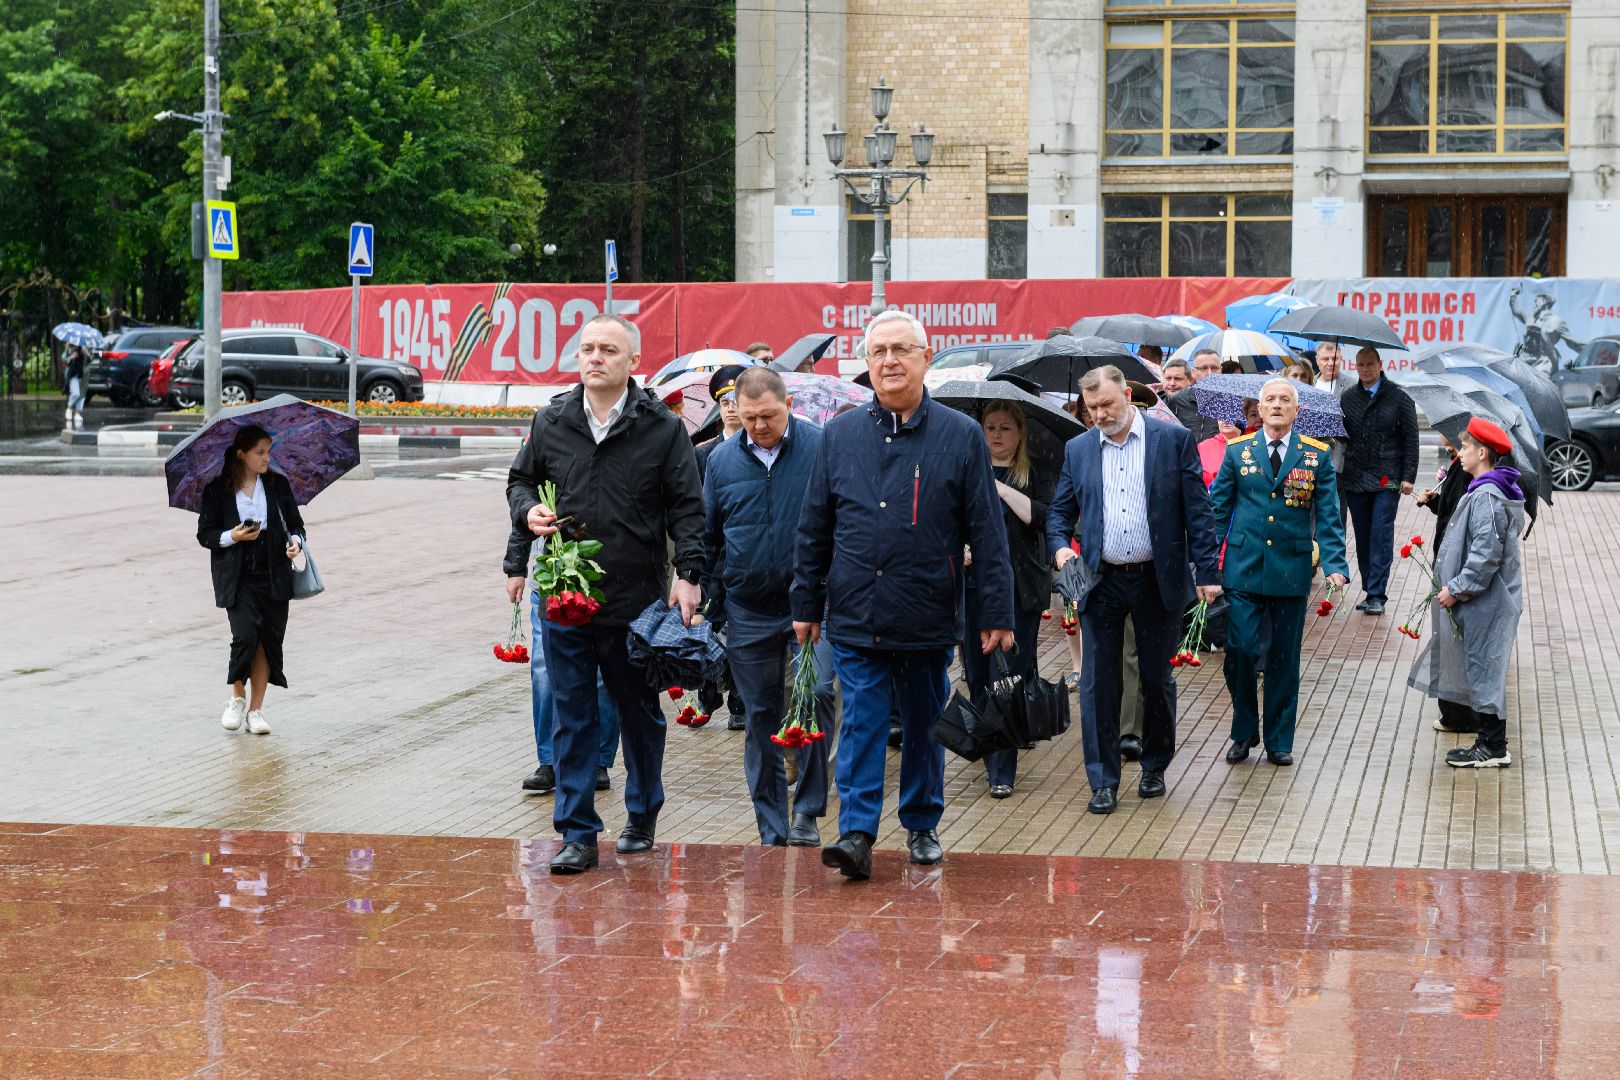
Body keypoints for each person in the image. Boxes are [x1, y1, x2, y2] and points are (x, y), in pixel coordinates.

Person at [793, 309, 1015, 880]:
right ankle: (859, 833)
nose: (889, 361)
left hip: (927, 608)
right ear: (867, 365)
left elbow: (987, 532)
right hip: (854, 608)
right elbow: (814, 524)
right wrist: (804, 605)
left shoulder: (960, 435)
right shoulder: (840, 434)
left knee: (922, 721)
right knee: (863, 718)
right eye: (878, 352)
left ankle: (921, 824)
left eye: (901, 349)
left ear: (924, 356)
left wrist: (995, 611)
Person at [506, 313, 705, 875]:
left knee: (638, 711)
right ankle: (577, 832)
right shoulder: (552, 421)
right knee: (571, 713)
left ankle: (641, 814)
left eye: (608, 350)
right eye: (588, 348)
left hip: (634, 599)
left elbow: (689, 507)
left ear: (631, 362)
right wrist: (529, 512)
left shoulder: (661, 429)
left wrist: (688, 574)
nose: (595, 357)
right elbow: (519, 481)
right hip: (565, 596)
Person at [1046, 365, 1222, 815]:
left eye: (1107, 404)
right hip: (1098, 578)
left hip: (1155, 576)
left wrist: (1206, 572)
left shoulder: (1171, 441)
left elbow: (1196, 512)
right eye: (1092, 408)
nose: (1100, 414)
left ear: (1128, 394)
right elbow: (1059, 513)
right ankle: (1103, 779)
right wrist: (1060, 550)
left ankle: (1155, 765)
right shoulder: (1079, 449)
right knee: (1096, 683)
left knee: (1155, 678)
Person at [704, 367, 836, 847]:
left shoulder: (822, 447)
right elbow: (710, 534)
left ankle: (807, 812)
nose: (759, 426)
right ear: (736, 410)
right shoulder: (720, 461)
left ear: (789, 406)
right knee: (760, 715)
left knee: (816, 698)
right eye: (750, 416)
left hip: (814, 606)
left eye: (770, 416)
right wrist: (704, 594)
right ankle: (771, 825)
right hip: (749, 608)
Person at [1209, 378, 1350, 766]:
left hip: (1290, 569)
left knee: (1283, 660)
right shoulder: (1239, 452)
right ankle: (1243, 729)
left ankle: (1279, 739)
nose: (1275, 405)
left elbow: (1329, 516)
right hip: (1243, 568)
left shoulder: (1315, 455)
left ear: (1296, 410)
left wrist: (1336, 564)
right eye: (1269, 399)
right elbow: (1218, 510)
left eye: (1284, 400)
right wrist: (1206, 566)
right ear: (1259, 407)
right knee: (1238, 651)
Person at [1407, 418, 1526, 768]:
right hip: (1482, 601)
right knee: (1481, 666)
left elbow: (1485, 554)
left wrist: (1457, 590)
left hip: (1484, 601)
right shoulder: (1482, 490)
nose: (1460, 454)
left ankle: (1492, 745)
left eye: (1467, 448)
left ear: (1483, 452)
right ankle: (1489, 741)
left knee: (1484, 666)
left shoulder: (1486, 496)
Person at [962, 401, 1054, 798]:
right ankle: (990, 745)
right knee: (978, 676)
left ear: (1019, 435)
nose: (996, 435)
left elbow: (1043, 517)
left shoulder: (1034, 471)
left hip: (1021, 588)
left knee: (1010, 676)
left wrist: (998, 485)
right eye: (989, 427)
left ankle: (1002, 769)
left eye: (1004, 429)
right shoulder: (965, 472)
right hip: (974, 586)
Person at [196, 424, 306, 737]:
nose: (266, 458)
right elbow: (205, 534)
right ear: (242, 454)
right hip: (238, 575)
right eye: (260, 452)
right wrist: (233, 535)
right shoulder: (217, 490)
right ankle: (237, 699)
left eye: (269, 452)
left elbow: (297, 526)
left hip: (274, 573)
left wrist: (295, 542)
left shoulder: (277, 485)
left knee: (268, 642)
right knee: (244, 636)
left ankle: (256, 711)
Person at [505, 532, 621, 796]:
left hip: (602, 579)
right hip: (550, 580)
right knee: (544, 671)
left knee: (602, 674)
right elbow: (523, 507)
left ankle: (599, 760)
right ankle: (549, 761)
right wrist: (515, 567)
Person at [1339, 347, 1419, 615]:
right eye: (1360, 365)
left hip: (1388, 477)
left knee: (1381, 533)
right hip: (1356, 477)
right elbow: (1342, 434)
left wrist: (1408, 477)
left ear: (1380, 364)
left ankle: (1377, 594)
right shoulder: (1348, 398)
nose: (1365, 369)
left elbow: (1411, 438)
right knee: (1362, 535)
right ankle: (1369, 588)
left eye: (1370, 364)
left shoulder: (1398, 396)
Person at [694, 364, 750, 730]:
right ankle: (708, 689)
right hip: (714, 555)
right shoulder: (704, 452)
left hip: (745, 554)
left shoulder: (759, 446)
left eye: (735, 399)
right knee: (711, 624)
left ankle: (739, 702)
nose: (730, 408)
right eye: (723, 401)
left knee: (742, 630)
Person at [1413, 435, 1478, 735]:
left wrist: (1457, 582)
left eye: (1460, 445)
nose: (1454, 450)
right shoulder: (1458, 467)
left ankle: (1460, 713)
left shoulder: (1472, 475)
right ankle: (1453, 710)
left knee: (1455, 638)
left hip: (1457, 564)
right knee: (1447, 636)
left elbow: (1465, 521)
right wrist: (1434, 502)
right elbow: (1450, 511)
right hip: (1448, 558)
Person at [1166, 348, 1220, 443]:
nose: (1210, 373)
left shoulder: (1231, 401)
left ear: (1221, 370)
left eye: (1214, 368)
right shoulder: (1178, 400)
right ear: (1193, 372)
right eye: (1203, 368)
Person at [63, 345, 87, 429]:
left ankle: (77, 413)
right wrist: (71, 357)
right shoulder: (69, 347)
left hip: (83, 375)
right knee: (76, 393)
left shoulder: (84, 347)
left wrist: (87, 353)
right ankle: (69, 408)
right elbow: (64, 360)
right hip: (73, 374)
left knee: (82, 395)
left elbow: (91, 360)